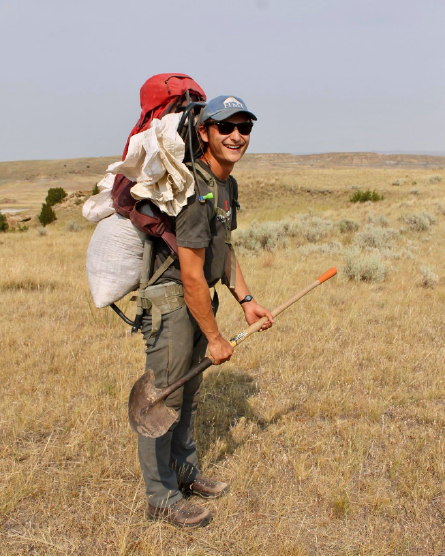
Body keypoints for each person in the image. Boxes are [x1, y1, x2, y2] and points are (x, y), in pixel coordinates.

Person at [138, 95, 274, 527]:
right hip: (174, 301)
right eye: (226, 127)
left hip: (196, 300)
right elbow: (193, 275)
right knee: (164, 399)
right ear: (204, 133)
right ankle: (160, 496)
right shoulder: (196, 191)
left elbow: (224, 248)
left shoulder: (225, 184)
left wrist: (247, 301)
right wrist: (215, 337)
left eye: (244, 128)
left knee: (189, 395)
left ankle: (185, 472)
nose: (237, 136)